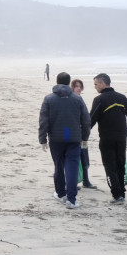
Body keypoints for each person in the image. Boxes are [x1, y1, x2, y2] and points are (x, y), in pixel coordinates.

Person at [90, 73, 127, 204]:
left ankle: (117, 195)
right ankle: (122, 192)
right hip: (121, 137)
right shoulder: (121, 97)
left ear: (103, 84)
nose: (95, 87)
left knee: (110, 166)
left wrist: (83, 135)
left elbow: (92, 118)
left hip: (107, 138)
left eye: (96, 84)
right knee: (121, 164)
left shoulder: (99, 99)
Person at [39, 72, 91, 209]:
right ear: (69, 83)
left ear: (57, 82)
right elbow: (86, 120)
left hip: (56, 139)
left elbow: (44, 120)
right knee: (72, 168)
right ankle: (71, 200)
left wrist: (42, 139)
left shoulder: (49, 99)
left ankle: (61, 194)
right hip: (72, 138)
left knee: (58, 165)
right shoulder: (77, 99)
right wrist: (85, 138)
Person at [71, 79, 97, 189]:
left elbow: (86, 119)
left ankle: (86, 180)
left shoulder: (79, 99)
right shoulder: (72, 99)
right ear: (72, 87)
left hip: (82, 133)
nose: (79, 88)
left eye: (80, 86)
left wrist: (85, 134)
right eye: (76, 86)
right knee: (74, 157)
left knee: (84, 156)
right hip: (74, 134)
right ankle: (75, 181)